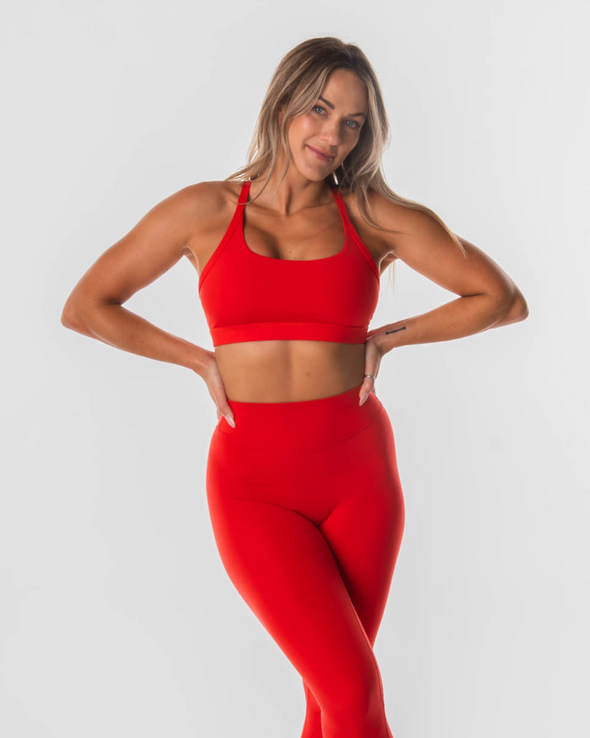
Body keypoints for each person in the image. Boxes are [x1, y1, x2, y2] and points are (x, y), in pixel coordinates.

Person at [61, 36, 528, 738]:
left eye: (353, 123)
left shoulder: (369, 215)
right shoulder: (204, 211)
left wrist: (387, 338)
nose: (334, 134)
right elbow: (87, 305)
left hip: (358, 477)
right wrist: (199, 360)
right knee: (351, 690)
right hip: (254, 487)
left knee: (335, 699)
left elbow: (501, 298)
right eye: (320, 109)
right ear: (283, 103)